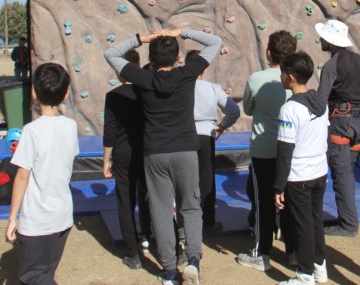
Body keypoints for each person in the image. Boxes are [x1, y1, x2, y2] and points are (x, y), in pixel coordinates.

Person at [104, 28, 221, 285]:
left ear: (152, 59)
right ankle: (192, 260)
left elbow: (110, 53)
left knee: (160, 210)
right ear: (178, 57)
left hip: (155, 152)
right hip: (186, 150)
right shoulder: (187, 73)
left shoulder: (143, 78)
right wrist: (182, 31)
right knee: (190, 207)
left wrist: (140, 38)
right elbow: (215, 41)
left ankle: (169, 271)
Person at [5, 62, 79, 284]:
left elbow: (22, 175)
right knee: (46, 272)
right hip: (62, 215)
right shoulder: (70, 126)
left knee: (33, 276)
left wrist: (12, 217)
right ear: (66, 94)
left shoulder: (31, 131)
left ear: (34, 92)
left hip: (38, 219)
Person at [237, 30, 297, 272]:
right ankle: (293, 252)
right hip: (290, 150)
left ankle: (262, 252)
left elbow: (249, 109)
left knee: (263, 200)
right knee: (291, 201)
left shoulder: (256, 78)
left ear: (268, 52)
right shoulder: (296, 81)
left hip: (263, 149)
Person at [316, 19, 360, 236]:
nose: (321, 40)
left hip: (339, 125)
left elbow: (321, 100)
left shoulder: (331, 65)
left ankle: (348, 224)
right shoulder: (359, 61)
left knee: (342, 174)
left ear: (331, 41)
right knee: (347, 172)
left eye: (323, 38)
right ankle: (347, 219)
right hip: (358, 124)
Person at [273, 51, 330, 285]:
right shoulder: (321, 101)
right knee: (315, 220)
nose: (281, 78)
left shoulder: (290, 109)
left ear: (291, 77)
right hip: (319, 171)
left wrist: (278, 186)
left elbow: (285, 151)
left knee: (303, 225)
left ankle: (305, 274)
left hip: (299, 176)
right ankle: (320, 268)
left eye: (282, 74)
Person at [102, 49, 151, 269]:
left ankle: (134, 253)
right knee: (152, 197)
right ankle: (150, 236)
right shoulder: (148, 92)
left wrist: (106, 159)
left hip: (123, 154)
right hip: (149, 152)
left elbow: (109, 131)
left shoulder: (114, 96)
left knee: (126, 202)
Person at [186, 50, 240, 234]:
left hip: (183, 135)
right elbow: (233, 111)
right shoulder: (211, 88)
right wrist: (222, 126)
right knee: (206, 179)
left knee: (183, 178)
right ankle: (207, 221)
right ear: (204, 68)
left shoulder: (180, 86)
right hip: (205, 135)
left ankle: (183, 223)